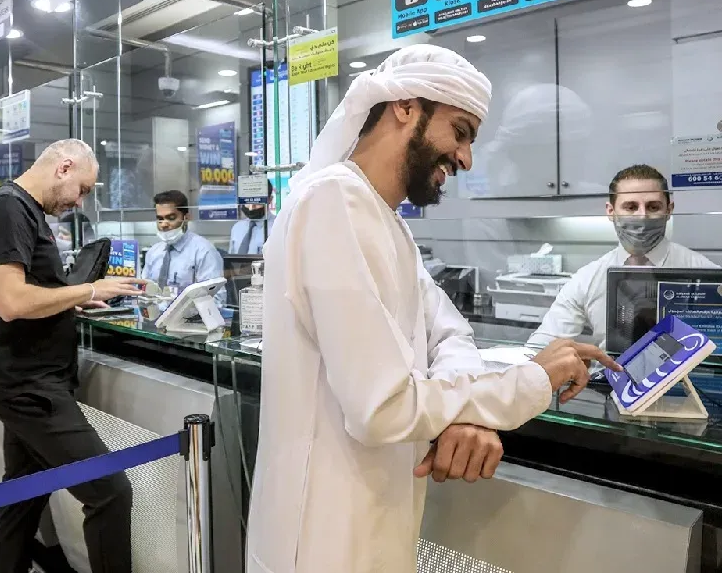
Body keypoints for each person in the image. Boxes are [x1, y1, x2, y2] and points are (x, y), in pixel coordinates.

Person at [246, 44, 621, 573]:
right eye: (461, 132)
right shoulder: (332, 200)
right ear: (405, 107)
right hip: (323, 535)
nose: (466, 158)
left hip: (377, 517)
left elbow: (451, 334)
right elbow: (381, 407)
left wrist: (468, 411)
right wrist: (527, 385)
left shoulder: (388, 222)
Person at [0, 139, 145, 573]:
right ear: (64, 167)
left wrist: (69, 300)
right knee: (109, 491)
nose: (79, 200)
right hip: (29, 386)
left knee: (23, 492)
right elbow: (10, 301)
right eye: (82, 189)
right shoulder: (9, 209)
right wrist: (89, 288)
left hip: (29, 379)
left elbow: (31, 292)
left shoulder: (26, 212)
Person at [527, 164, 717, 350]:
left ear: (669, 210)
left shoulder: (707, 275)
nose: (642, 216)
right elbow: (542, 345)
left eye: (653, 207)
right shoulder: (587, 279)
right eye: (631, 207)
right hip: (610, 379)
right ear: (611, 211)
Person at [142, 190, 225, 299]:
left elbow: (216, 299)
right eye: (160, 219)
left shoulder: (204, 251)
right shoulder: (153, 252)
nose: (164, 224)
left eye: (171, 218)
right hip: (155, 315)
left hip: (189, 315)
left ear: (186, 217)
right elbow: (144, 291)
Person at [229, 180, 275, 255]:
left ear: (270, 200)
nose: (251, 208)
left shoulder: (277, 228)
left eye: (256, 202)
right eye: (247, 202)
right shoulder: (237, 228)